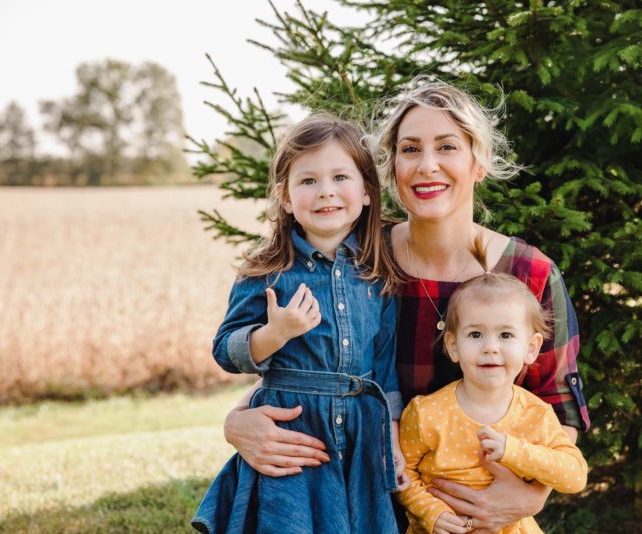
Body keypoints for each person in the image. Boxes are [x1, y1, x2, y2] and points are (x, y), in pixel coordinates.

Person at [222, 78, 590, 533]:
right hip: (364, 501)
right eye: (410, 149)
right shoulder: (360, 261)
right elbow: (309, 363)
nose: (427, 165)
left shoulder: (527, 272)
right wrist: (236, 422)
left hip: (480, 518)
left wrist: (532, 493)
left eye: (447, 147)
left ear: (478, 163)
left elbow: (558, 404)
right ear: (391, 167)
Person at [191, 113, 408, 534]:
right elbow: (225, 350)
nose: (326, 191)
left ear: (366, 191)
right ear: (286, 198)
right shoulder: (267, 271)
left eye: (340, 177)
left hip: (361, 433)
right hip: (293, 431)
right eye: (308, 181)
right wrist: (274, 334)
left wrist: (392, 441)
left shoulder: (376, 272)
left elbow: (385, 370)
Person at [397, 247, 588, 534]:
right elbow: (402, 475)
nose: (490, 347)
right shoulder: (426, 413)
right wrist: (431, 512)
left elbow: (574, 476)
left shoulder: (536, 415)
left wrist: (513, 451)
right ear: (453, 346)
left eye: (506, 335)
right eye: (475, 334)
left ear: (531, 348)